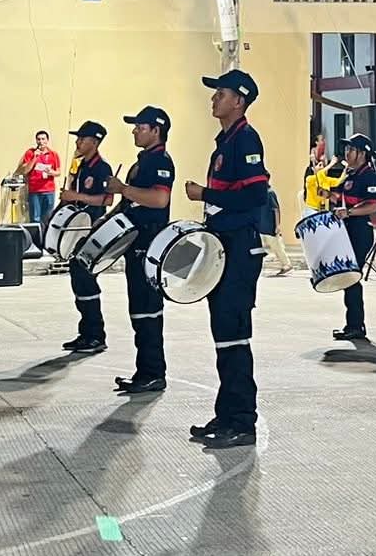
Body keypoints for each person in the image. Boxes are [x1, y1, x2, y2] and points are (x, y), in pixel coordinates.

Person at [184, 72, 270, 446]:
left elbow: (255, 197)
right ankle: (226, 415)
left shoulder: (246, 139)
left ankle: (243, 423)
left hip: (239, 249)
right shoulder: (226, 141)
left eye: (220, 93)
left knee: (234, 336)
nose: (213, 99)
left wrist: (205, 194)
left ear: (239, 100)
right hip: (224, 246)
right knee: (223, 336)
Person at [109, 105, 175, 395]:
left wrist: (123, 188)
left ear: (156, 130)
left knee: (148, 311)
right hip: (136, 243)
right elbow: (131, 203)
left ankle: (153, 373)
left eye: (140, 127)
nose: (135, 131)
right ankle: (144, 371)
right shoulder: (144, 160)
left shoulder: (160, 161)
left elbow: (159, 199)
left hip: (149, 244)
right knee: (138, 310)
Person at [59, 122, 112, 354]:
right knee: (78, 278)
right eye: (78, 138)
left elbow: (107, 199)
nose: (78, 142)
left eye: (83, 138)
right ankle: (86, 332)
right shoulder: (80, 166)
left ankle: (96, 334)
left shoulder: (102, 167)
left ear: (95, 142)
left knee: (86, 278)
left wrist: (76, 196)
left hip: (92, 228)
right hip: (78, 229)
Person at [330, 133, 376, 342]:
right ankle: (352, 324)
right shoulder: (350, 175)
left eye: (351, 149)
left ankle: (356, 325)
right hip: (347, 231)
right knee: (347, 278)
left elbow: (372, 206)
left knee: (352, 278)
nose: (346, 153)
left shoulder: (370, 176)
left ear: (362, 154)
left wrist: (349, 212)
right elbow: (339, 197)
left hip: (360, 231)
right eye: (346, 149)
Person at [17, 131, 61, 228]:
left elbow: (58, 172)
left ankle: (45, 236)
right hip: (35, 190)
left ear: (47, 140)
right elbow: (25, 170)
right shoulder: (30, 153)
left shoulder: (53, 154)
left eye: (43, 139)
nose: (41, 141)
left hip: (49, 190)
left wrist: (51, 172)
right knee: (35, 218)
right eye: (38, 139)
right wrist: (34, 158)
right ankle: (35, 236)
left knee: (47, 217)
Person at [259, 186, 292, 274]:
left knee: (277, 247)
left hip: (269, 226)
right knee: (258, 247)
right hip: (261, 226)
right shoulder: (260, 193)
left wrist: (277, 226)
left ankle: (286, 264)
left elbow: (276, 210)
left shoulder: (270, 193)